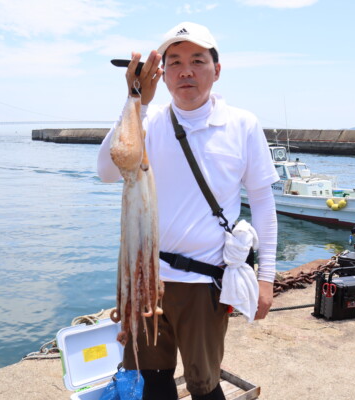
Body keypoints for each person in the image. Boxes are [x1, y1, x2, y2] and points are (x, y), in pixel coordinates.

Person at [97, 21, 279, 400]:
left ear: (216, 68)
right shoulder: (148, 120)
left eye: (198, 60)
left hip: (205, 284)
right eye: (175, 61)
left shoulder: (242, 125)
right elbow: (106, 171)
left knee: (204, 385)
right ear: (161, 73)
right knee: (153, 382)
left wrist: (267, 278)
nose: (186, 71)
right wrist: (135, 100)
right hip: (145, 281)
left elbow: (262, 201)